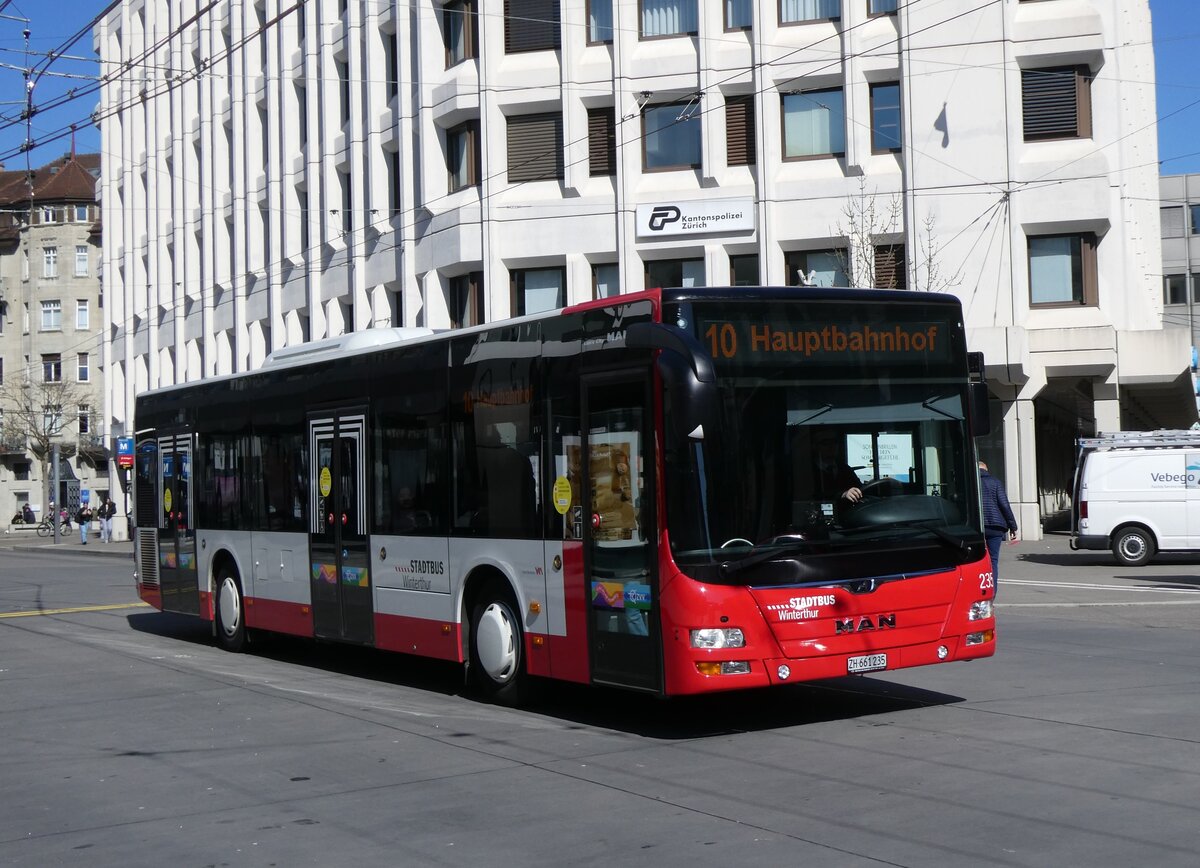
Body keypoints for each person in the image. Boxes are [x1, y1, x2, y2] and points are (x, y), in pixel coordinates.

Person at [979, 460, 1017, 597]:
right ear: (986, 469)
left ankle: (980, 590)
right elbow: (1004, 505)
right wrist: (1013, 526)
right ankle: (992, 592)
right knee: (993, 560)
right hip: (996, 526)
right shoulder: (995, 482)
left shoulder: (972, 482)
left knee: (978, 559)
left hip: (978, 527)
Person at [811, 433, 864, 503]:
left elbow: (859, 488)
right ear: (815, 446)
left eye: (834, 442)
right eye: (825, 443)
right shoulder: (808, 471)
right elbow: (813, 495)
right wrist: (843, 494)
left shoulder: (845, 469)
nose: (831, 446)